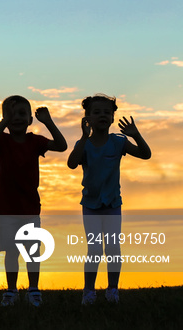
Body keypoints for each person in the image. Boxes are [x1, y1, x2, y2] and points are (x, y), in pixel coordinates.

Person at [67, 94, 151, 305]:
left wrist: (135, 134)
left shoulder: (119, 142)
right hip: (91, 206)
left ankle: (112, 290)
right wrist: (84, 137)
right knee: (94, 249)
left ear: (113, 117)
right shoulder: (83, 144)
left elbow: (145, 154)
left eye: (107, 112)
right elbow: (71, 163)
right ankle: (89, 292)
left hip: (113, 204)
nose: (102, 115)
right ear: (88, 118)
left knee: (113, 248)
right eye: (96, 112)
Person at [0, 95, 67, 307]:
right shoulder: (2, 140)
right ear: (5, 117)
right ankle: (11, 291)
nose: (17, 118)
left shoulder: (35, 141)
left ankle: (33, 290)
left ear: (30, 119)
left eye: (22, 113)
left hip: (30, 206)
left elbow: (62, 145)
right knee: (11, 251)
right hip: (6, 207)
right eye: (12, 114)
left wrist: (48, 121)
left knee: (32, 251)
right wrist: (4, 120)